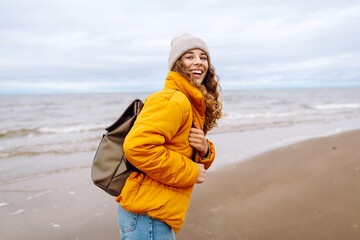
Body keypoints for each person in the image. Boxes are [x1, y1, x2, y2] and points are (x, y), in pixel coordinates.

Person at [115, 33, 222, 239]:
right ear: (177, 64)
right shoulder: (173, 100)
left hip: (155, 212)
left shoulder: (190, 102)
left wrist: (205, 149)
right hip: (148, 216)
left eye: (203, 56)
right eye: (189, 56)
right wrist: (191, 172)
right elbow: (138, 148)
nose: (198, 62)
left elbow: (180, 150)